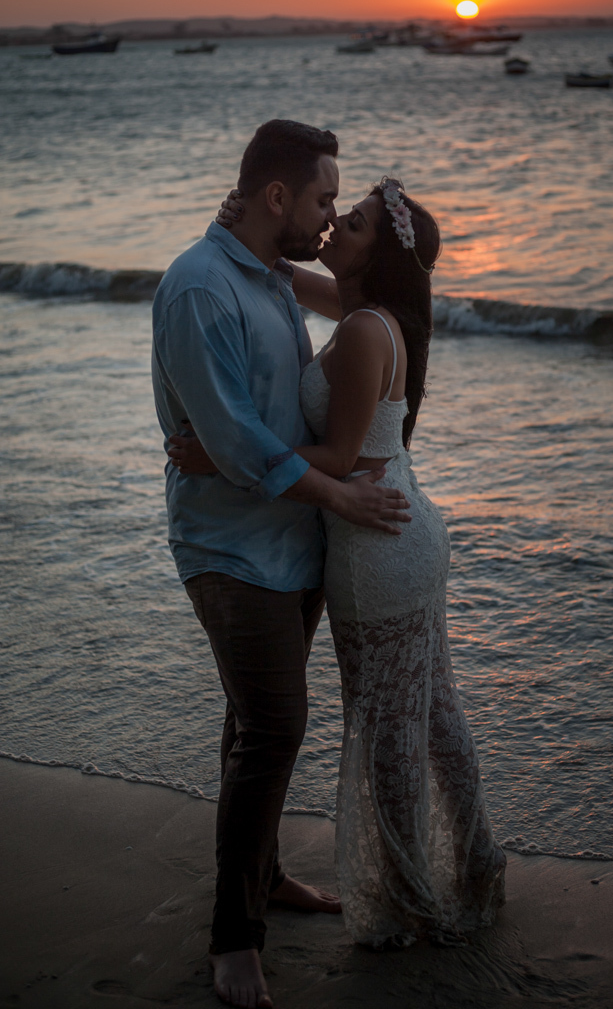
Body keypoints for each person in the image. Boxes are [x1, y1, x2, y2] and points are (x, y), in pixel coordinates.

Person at [175, 175, 506, 953]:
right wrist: (243, 228)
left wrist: (223, 456)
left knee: (389, 729)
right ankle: (477, 858)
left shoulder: (364, 330)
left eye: (351, 221)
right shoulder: (363, 313)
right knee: (435, 714)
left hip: (374, 548)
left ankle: (408, 894)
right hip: (406, 531)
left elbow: (339, 455)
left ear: (377, 250)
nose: (335, 224)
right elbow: (289, 275)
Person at [151, 120, 412, 1009]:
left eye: (341, 205)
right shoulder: (197, 289)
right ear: (276, 199)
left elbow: (368, 305)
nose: (330, 216)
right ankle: (234, 940)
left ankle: (258, 878)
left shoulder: (265, 271)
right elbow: (231, 441)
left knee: (251, 725)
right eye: (323, 200)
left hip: (290, 543)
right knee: (274, 728)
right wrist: (344, 497)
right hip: (228, 549)